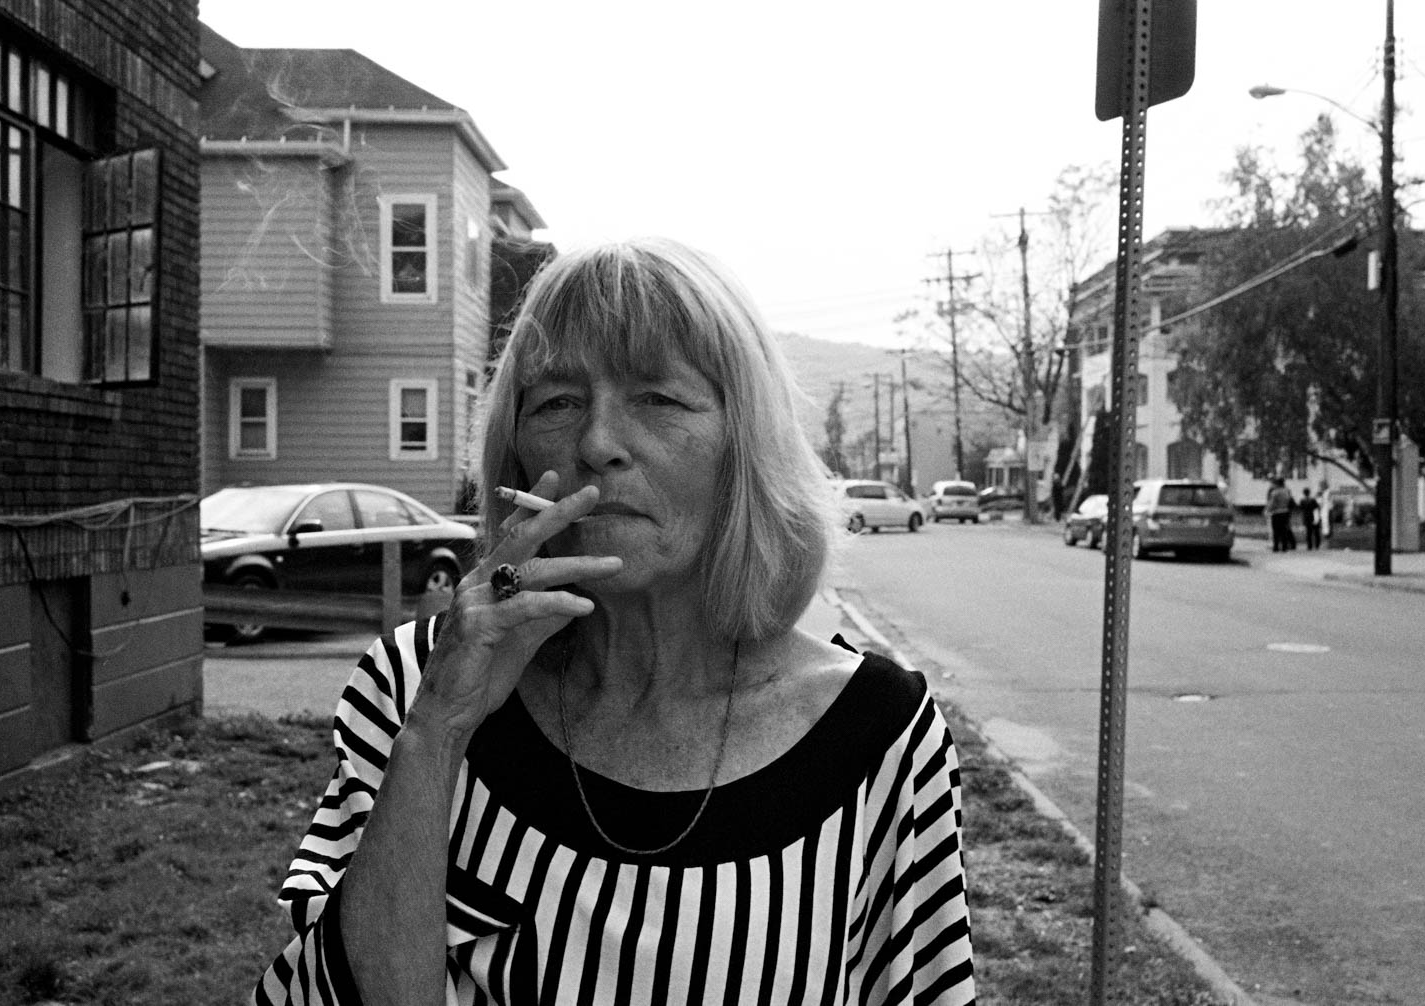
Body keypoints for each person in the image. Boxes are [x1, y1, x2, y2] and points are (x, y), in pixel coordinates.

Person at [253, 238, 977, 1005]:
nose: (598, 444)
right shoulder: (414, 684)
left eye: (658, 399)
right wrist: (438, 732)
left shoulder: (881, 741)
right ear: (519, 455)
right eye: (558, 403)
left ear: (745, 447)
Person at [1265, 477, 1296, 552]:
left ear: (1277, 484)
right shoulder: (1286, 491)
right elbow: (1289, 501)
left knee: (1276, 530)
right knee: (1284, 530)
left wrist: (1267, 510)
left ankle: (1276, 547)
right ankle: (1284, 547)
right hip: (1285, 512)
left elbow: (1272, 504)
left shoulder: (1275, 493)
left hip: (1276, 513)